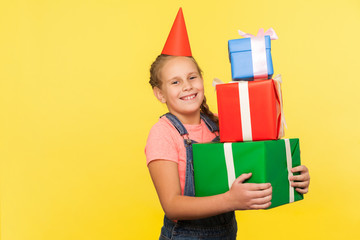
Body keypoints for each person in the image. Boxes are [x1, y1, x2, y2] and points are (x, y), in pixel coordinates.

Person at [145, 8, 310, 240]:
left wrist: (291, 175)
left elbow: (258, 158)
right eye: (175, 82)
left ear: (202, 80)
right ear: (159, 94)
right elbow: (172, 205)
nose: (187, 86)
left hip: (226, 233)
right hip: (184, 235)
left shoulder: (220, 126)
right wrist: (230, 200)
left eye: (192, 77)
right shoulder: (163, 134)